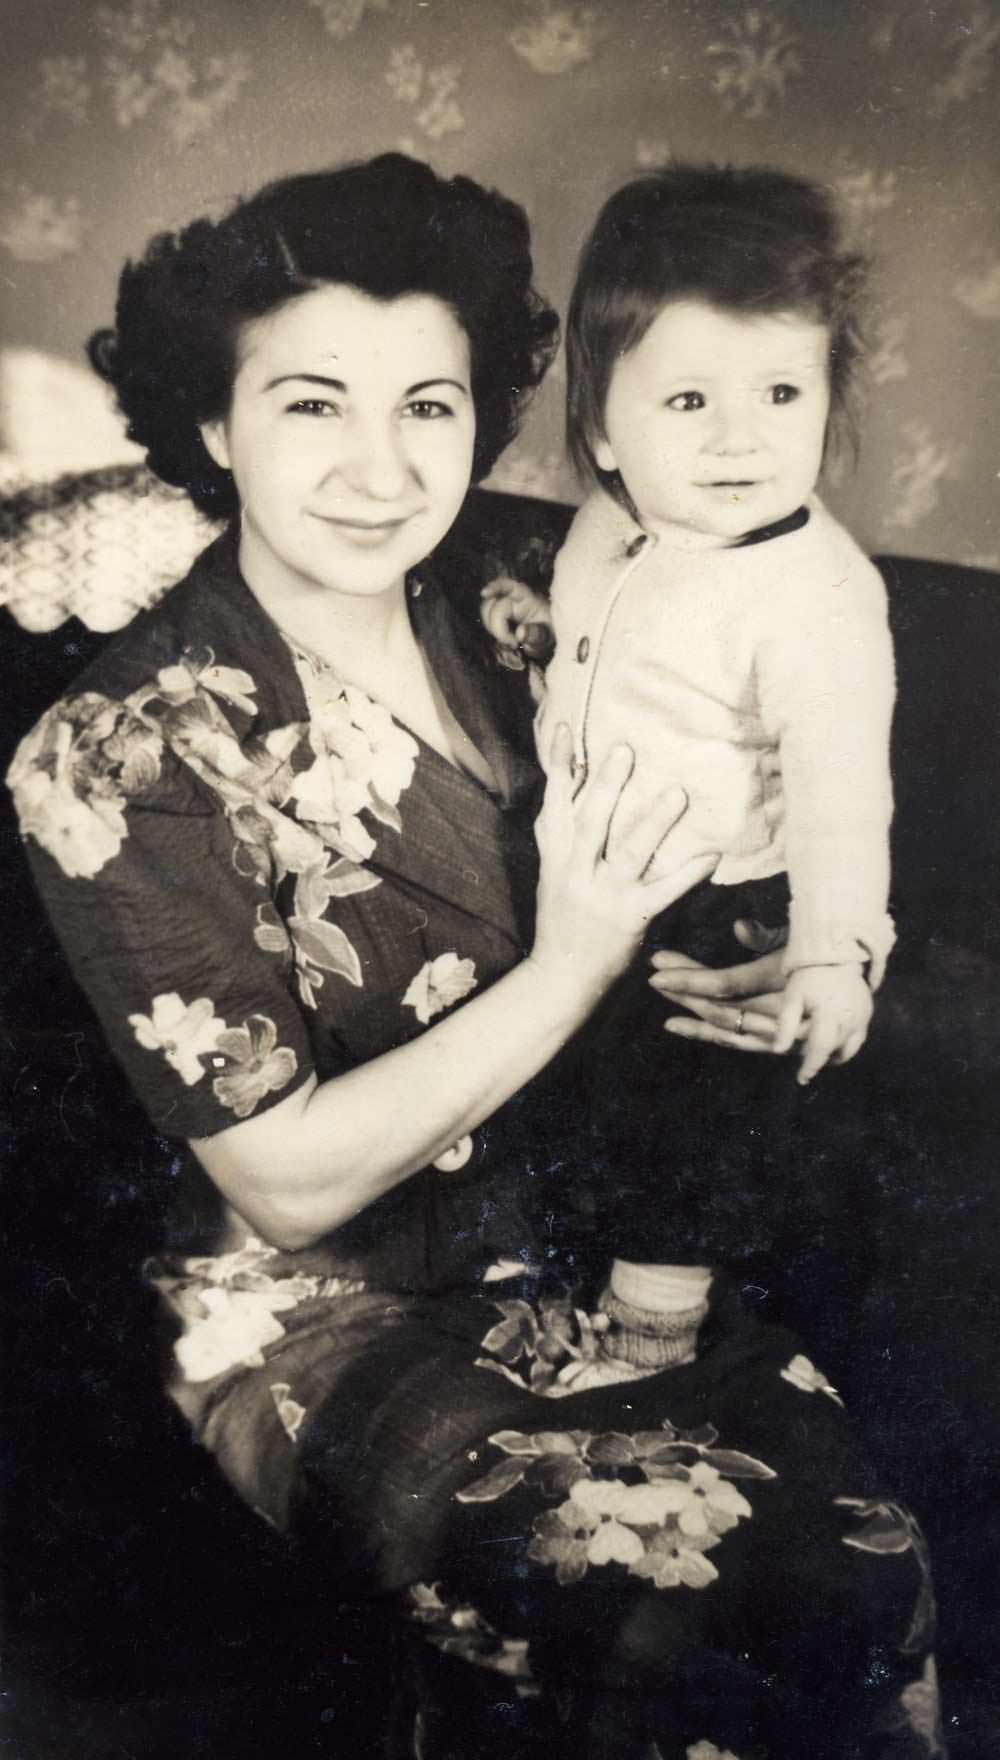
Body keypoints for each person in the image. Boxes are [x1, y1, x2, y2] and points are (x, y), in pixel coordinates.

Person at [7, 155, 941, 1759]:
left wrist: (780, 949)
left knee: (867, 1577)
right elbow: (285, 1184)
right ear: (216, 424)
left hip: (614, 1229)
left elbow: (792, 667)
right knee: (674, 1600)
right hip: (325, 1309)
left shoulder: (539, 594)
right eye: (312, 404)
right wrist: (577, 960)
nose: (380, 469)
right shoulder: (113, 757)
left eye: (429, 407)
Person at [483, 163, 897, 1378]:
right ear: (604, 429)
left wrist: (832, 949)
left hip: (714, 902)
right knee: (571, 1094)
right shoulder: (613, 520)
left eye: (782, 390)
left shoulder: (816, 599)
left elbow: (841, 796)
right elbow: (617, 644)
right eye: (688, 399)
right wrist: (541, 632)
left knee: (683, 1116)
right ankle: (556, 1280)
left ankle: (653, 1338)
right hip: (585, 862)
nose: (740, 436)